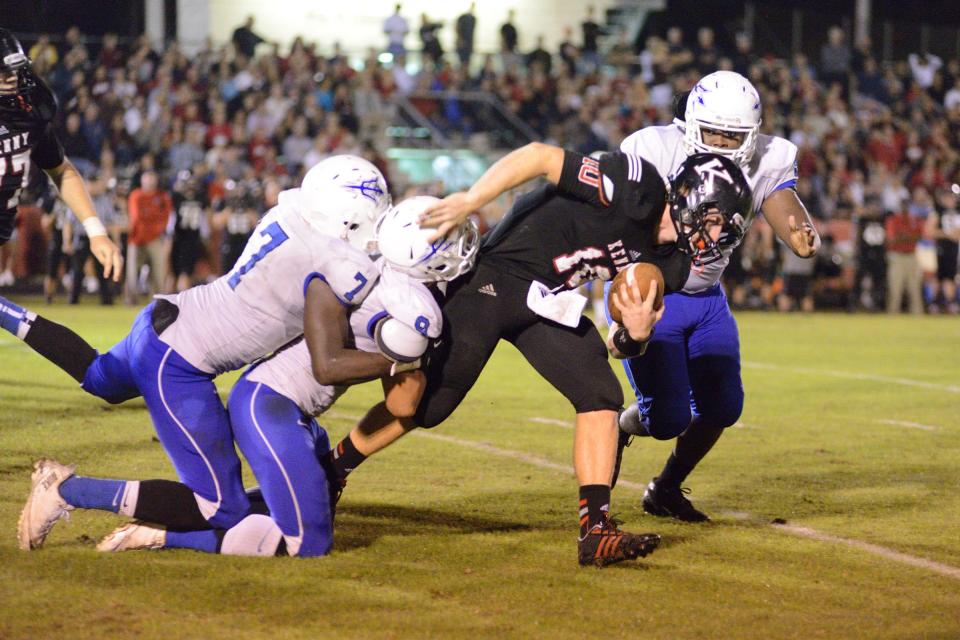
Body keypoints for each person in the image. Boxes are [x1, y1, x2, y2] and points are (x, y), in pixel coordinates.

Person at [326, 142, 752, 567]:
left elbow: (618, 345)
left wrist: (636, 334)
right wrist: (472, 199)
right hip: (495, 275)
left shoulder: (673, 265)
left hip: (546, 301)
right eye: (713, 220)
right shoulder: (633, 187)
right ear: (688, 196)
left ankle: (596, 532)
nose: (715, 236)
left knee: (600, 392)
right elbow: (540, 157)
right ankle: (332, 469)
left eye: (724, 229)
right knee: (430, 405)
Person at [25, 198, 480, 558]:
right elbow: (397, 403)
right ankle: (114, 513)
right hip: (267, 406)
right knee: (304, 542)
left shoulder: (360, 259)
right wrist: (406, 362)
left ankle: (161, 523)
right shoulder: (411, 308)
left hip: (275, 399)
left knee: (286, 499)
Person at [7, 155, 395, 551]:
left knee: (96, 376)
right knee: (220, 508)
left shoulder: (293, 208)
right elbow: (347, 330)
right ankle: (67, 490)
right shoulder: (333, 258)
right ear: (348, 217)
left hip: (165, 318)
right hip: (178, 362)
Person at [615, 70, 819, 522]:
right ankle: (620, 425)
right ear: (690, 124)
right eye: (714, 133)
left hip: (707, 296)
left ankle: (664, 489)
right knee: (666, 419)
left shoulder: (769, 157)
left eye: (734, 136)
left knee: (723, 406)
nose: (724, 143)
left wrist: (799, 230)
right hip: (658, 292)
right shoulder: (651, 149)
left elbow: (780, 199)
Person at [0, 29, 122, 283]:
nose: (10, 78)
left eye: (14, 70)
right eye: (2, 72)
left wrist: (96, 231)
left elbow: (61, 170)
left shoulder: (27, 113)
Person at [125, 170, 172, 302]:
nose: (150, 181)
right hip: (136, 238)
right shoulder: (136, 195)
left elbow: (165, 217)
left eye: (152, 178)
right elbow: (136, 216)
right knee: (132, 272)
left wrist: (151, 220)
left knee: (159, 272)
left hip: (155, 238)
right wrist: (152, 218)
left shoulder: (162, 196)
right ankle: (130, 299)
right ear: (142, 180)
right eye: (147, 178)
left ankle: (158, 301)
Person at [455, 3, 477, 68]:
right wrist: (460, 40)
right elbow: (457, 27)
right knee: (461, 62)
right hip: (462, 44)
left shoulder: (473, 19)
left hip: (469, 44)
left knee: (467, 62)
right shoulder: (462, 17)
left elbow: (473, 33)